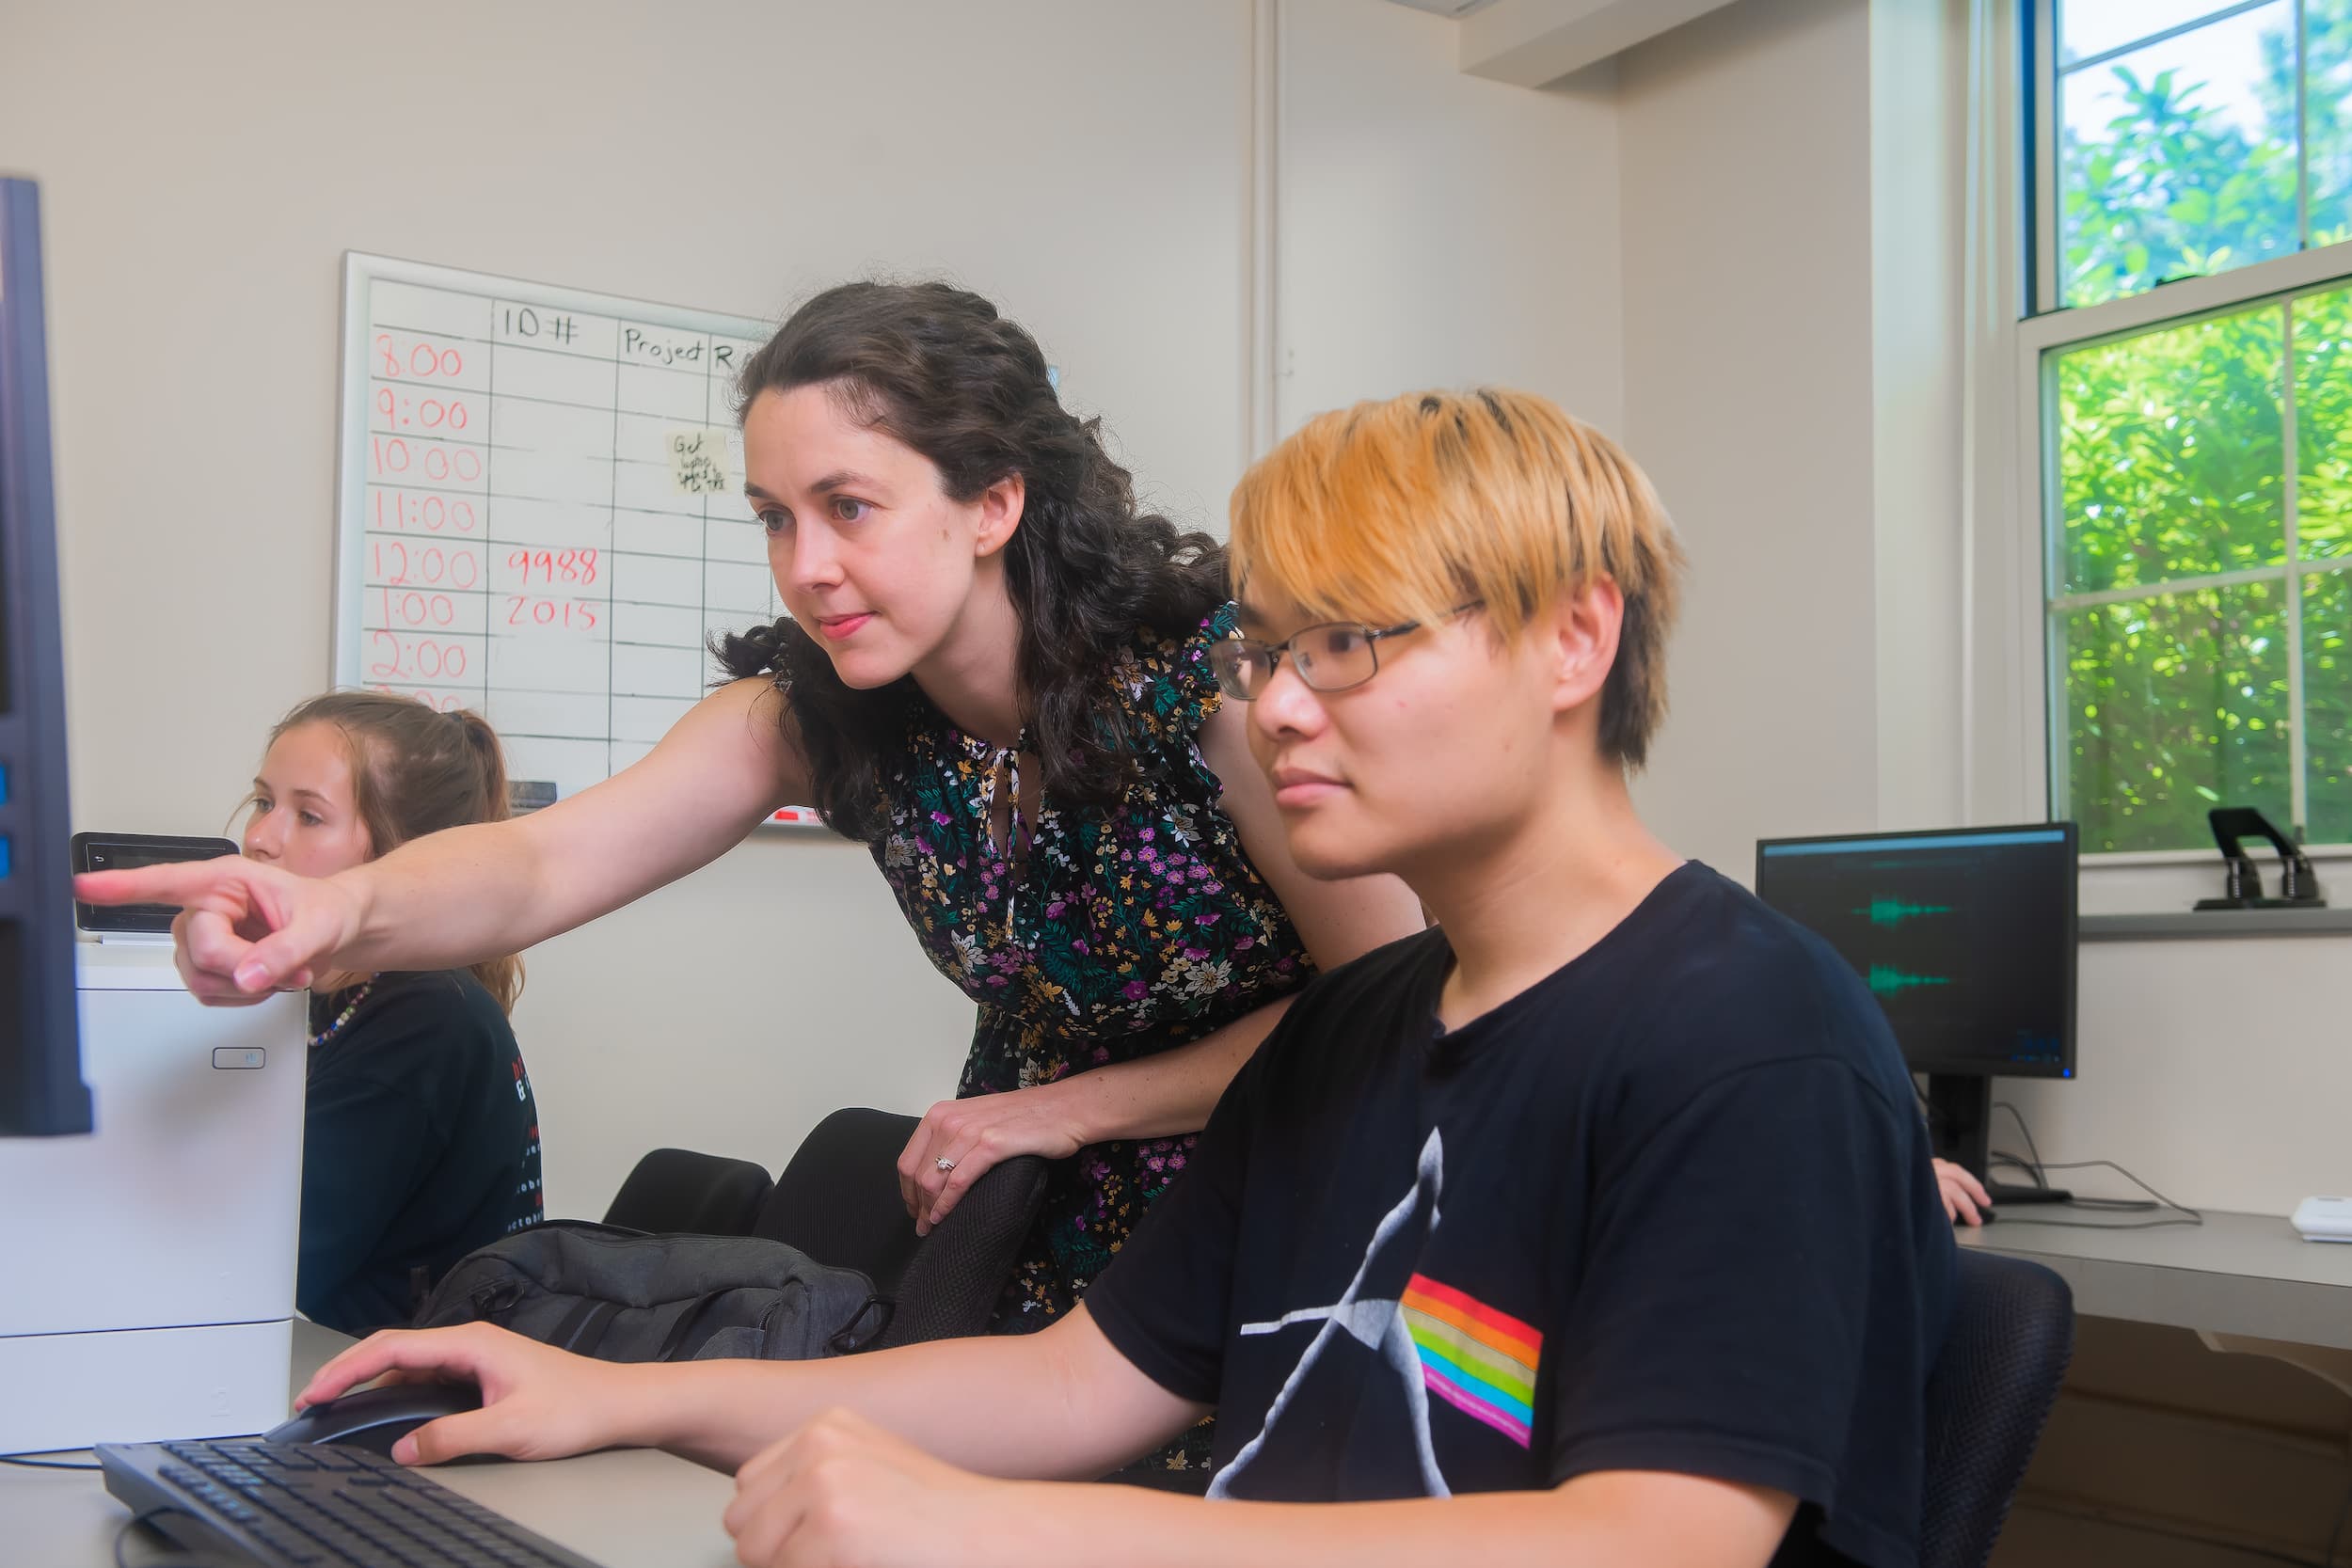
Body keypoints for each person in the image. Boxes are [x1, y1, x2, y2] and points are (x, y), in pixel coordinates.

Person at [284, 388, 1957, 1568]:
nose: (1285, 707)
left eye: (1351, 642)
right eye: (1267, 650)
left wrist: (998, 1531)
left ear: (1574, 641)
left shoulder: (1751, 1036)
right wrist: (612, 1393)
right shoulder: (1360, 1023)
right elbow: (1076, 1380)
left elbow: (1654, 1540)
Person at [79, 282, 1422, 1472]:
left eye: (849, 508)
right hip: (1027, 1234)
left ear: (993, 502)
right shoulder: (828, 712)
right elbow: (547, 858)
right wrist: (343, 909)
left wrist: (1069, 1106)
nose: (807, 568)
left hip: (1285, 1215)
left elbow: (1385, 1007)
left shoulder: (1215, 697)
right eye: (778, 518)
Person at [242, 691, 544, 1334]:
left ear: (403, 858)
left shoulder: (423, 1019)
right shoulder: (333, 994)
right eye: (265, 801)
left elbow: (263, 1263)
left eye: (309, 815)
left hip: (387, 1395)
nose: (260, 837)